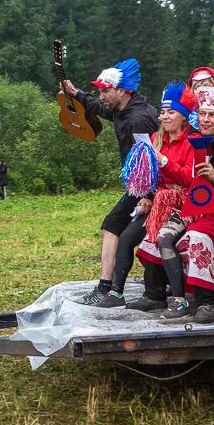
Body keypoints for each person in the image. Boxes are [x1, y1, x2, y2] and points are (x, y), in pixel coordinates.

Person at [135, 85, 214, 323]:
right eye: (203, 114)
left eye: (212, 115)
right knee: (157, 229)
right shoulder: (199, 140)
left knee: (194, 237)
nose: (206, 120)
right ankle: (155, 293)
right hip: (198, 207)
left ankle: (206, 302)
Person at [61, 58, 160, 305]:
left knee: (113, 226)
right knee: (113, 228)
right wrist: (76, 93)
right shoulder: (121, 108)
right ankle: (107, 287)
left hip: (150, 188)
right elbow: (99, 107)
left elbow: (155, 157)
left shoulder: (139, 119)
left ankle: (107, 288)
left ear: (122, 90)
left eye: (105, 90)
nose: (101, 95)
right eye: (100, 90)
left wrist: (149, 195)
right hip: (139, 186)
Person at [95, 82, 196, 311]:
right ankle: (117, 292)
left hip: (183, 207)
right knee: (126, 238)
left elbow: (189, 179)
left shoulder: (192, 142)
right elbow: (147, 176)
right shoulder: (155, 139)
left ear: (184, 117)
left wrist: (163, 160)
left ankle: (177, 298)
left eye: (171, 112)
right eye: (162, 112)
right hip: (158, 203)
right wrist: (148, 196)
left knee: (160, 237)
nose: (164, 117)